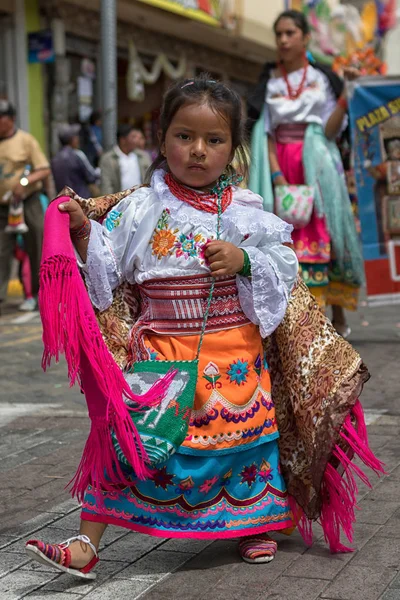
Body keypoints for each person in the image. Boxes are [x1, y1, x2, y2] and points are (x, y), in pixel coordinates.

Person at [25, 76, 382, 578]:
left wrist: (244, 259)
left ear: (233, 149)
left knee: (241, 447)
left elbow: (282, 269)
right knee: (128, 444)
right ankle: (88, 541)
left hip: (233, 351)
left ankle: (254, 521)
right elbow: (108, 279)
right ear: (161, 137)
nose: (197, 151)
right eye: (183, 136)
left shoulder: (245, 210)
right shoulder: (139, 208)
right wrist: (85, 233)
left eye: (214, 140)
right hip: (160, 351)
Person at [248, 10, 364, 338]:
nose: (283, 40)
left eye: (290, 33)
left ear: (305, 38)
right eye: (279, 34)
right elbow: (267, 133)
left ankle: (329, 315)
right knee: (285, 239)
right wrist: (275, 176)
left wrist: (345, 96)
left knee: (320, 234)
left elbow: (329, 130)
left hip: (317, 166)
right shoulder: (269, 81)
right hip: (280, 165)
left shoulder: (321, 79)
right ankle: (293, 320)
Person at [0, 100, 50, 312]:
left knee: (36, 246)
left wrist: (23, 183)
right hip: (3, 207)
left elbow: (43, 169)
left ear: (11, 119)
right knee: (1, 251)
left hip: (27, 202)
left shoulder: (25, 140)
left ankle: (41, 296)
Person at [99, 124, 151, 194]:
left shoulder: (143, 156)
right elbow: (106, 185)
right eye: (133, 137)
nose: (137, 140)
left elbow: (150, 178)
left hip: (142, 200)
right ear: (123, 140)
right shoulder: (108, 159)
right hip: (120, 202)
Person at [51, 124, 99, 198]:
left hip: (63, 201)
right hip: (80, 199)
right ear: (72, 139)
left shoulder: (55, 159)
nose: (78, 139)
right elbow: (91, 177)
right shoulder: (77, 154)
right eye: (76, 137)